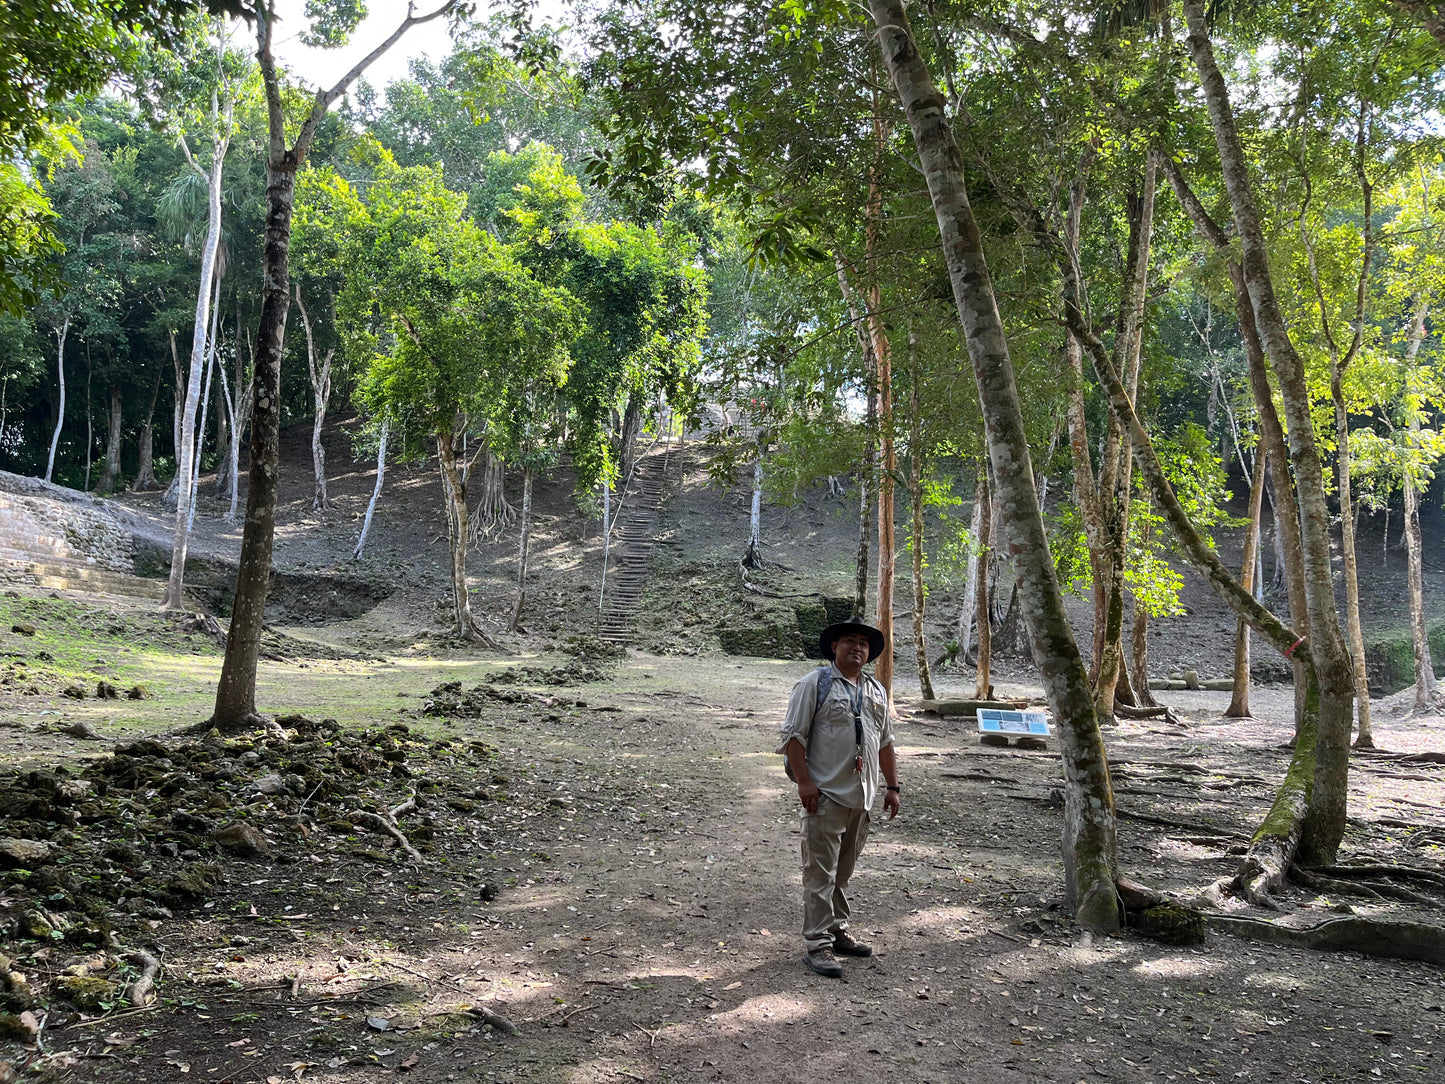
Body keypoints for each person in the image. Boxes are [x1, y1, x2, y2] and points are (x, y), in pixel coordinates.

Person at [776, 616, 901, 978]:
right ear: (834, 646)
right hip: (825, 795)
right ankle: (818, 945)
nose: (857, 648)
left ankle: (836, 929)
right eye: (849, 641)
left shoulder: (876, 690)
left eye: (863, 644)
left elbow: (886, 743)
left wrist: (892, 787)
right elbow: (793, 737)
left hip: (862, 798)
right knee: (819, 872)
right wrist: (804, 783)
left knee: (842, 872)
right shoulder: (814, 684)